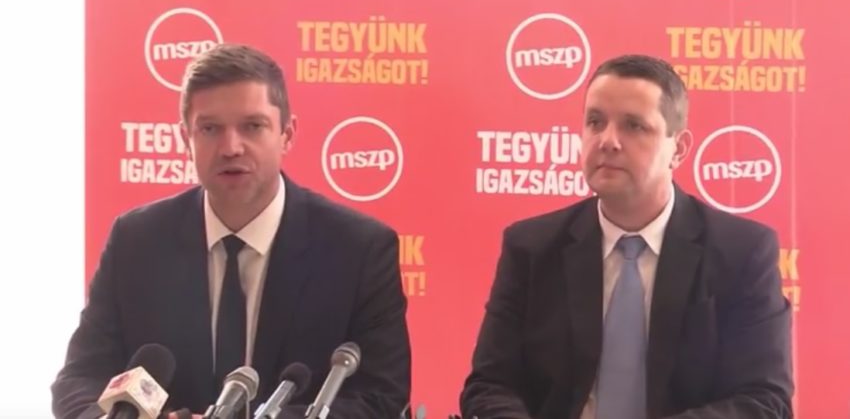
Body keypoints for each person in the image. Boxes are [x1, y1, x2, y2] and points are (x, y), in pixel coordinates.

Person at [52, 43, 411, 419]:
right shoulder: (137, 241)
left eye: (252, 126)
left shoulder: (358, 249)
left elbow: (380, 398)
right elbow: (80, 378)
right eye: (210, 129)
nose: (231, 147)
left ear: (287, 134)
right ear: (186, 139)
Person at [460, 54, 793, 418]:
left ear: (679, 148)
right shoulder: (531, 247)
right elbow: (490, 385)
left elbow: (764, 400)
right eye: (595, 122)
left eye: (634, 126)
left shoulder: (742, 252)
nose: (608, 141)